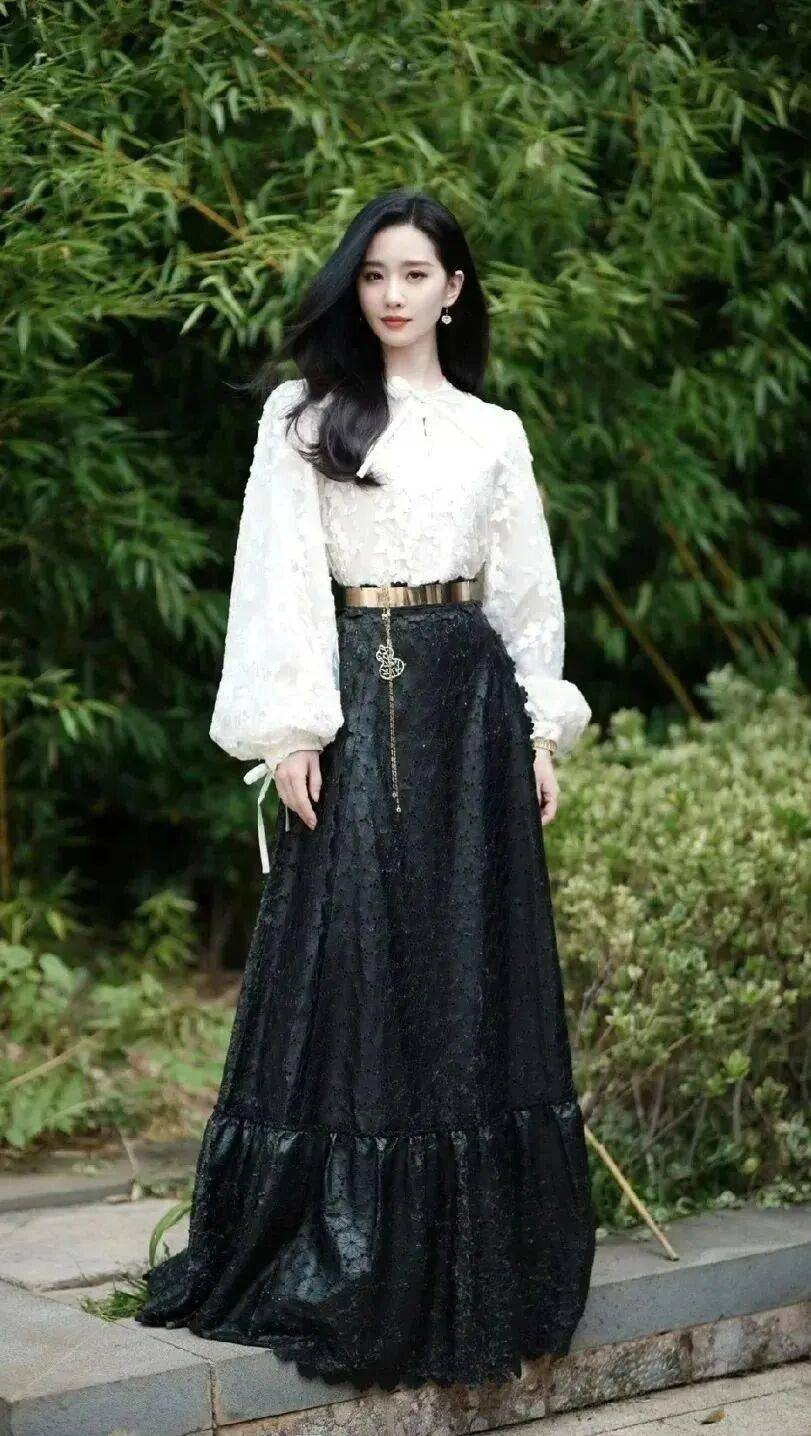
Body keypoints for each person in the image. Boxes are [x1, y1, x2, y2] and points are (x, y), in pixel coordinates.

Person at [135, 188, 597, 1392]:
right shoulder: (305, 414)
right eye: (375, 273)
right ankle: (352, 1250)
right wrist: (291, 725)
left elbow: (524, 590)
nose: (392, 293)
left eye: (415, 273)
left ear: (454, 290)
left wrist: (539, 727)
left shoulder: (493, 431)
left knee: (465, 964)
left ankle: (474, 1258)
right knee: (359, 959)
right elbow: (276, 571)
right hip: (357, 695)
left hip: (471, 712)